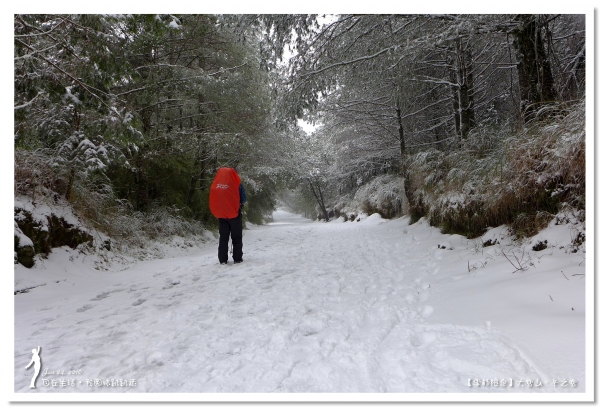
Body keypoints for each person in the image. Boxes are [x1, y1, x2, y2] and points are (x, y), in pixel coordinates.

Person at [209, 167, 247, 265]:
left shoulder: (216, 184)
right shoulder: (237, 184)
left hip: (221, 215)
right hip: (234, 214)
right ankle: (237, 258)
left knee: (223, 237)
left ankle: (222, 260)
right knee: (237, 237)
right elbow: (243, 199)